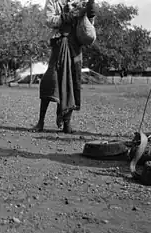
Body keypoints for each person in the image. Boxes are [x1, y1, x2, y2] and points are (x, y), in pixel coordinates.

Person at [31, 0, 96, 133]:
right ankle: (40, 122)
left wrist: (89, 11)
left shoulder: (80, 1)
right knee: (50, 81)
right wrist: (68, 16)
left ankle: (67, 123)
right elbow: (49, 20)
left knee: (72, 83)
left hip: (75, 47)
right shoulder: (53, 1)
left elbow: (89, 24)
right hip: (59, 44)